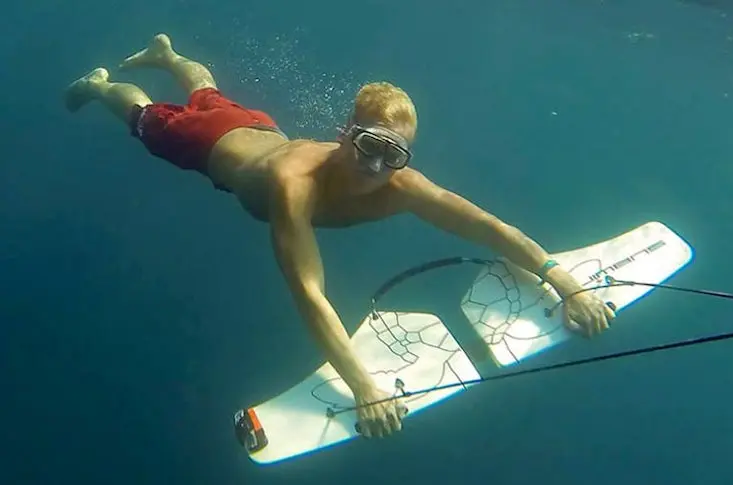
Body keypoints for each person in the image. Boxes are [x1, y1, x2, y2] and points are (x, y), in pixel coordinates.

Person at [65, 33, 616, 440]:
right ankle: (102, 86)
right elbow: (308, 291)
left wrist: (564, 281)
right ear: (344, 134)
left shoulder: (404, 186)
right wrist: (363, 385)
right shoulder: (293, 184)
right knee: (144, 117)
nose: (377, 166)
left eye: (393, 154)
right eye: (369, 145)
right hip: (204, 146)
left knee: (209, 91)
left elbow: (490, 227)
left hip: (260, 129)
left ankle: (167, 53)